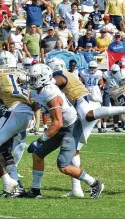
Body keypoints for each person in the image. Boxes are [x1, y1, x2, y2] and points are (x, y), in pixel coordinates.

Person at [26, 63, 104, 199]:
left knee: (63, 165)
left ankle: (95, 183)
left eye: (34, 78)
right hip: (61, 127)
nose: (31, 81)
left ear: (43, 78)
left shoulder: (50, 92)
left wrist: (40, 140)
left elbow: (57, 122)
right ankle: (35, 190)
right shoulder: (38, 90)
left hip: (71, 127)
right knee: (38, 155)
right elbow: (37, 105)